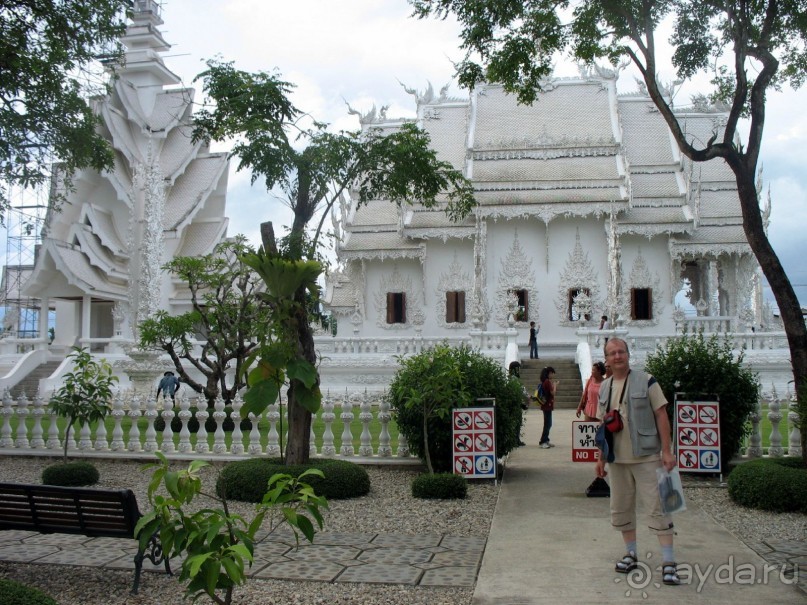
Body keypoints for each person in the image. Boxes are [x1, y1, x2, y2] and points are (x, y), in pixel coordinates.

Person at [595, 338, 679, 586]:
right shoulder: (605, 387)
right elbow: (602, 426)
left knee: (659, 506)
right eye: (612, 353)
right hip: (617, 458)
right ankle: (631, 553)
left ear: (628, 354)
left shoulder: (647, 380)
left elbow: (661, 413)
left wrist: (667, 450)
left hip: (648, 455)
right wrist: (600, 458)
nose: (617, 356)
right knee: (621, 506)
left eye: (621, 352)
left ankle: (668, 561)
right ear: (607, 360)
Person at [538, 366, 556, 448]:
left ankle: (546, 439)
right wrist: (555, 385)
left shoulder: (544, 381)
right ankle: (543, 441)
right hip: (547, 406)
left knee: (548, 423)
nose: (552, 375)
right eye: (552, 373)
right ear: (548, 373)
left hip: (545, 405)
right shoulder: (547, 382)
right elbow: (553, 393)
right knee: (548, 424)